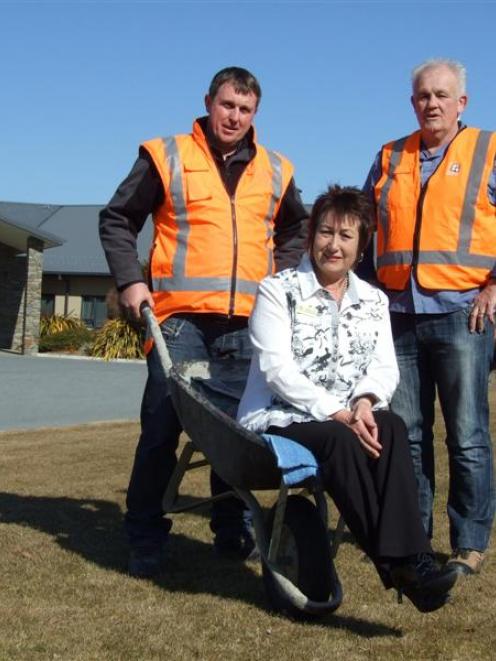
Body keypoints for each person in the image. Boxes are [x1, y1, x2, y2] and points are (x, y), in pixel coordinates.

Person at [99, 66, 308, 578]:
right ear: (208, 103)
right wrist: (131, 280)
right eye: (227, 105)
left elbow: (297, 228)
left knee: (235, 432)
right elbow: (117, 219)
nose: (235, 117)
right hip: (178, 320)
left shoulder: (277, 169)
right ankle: (145, 535)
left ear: (255, 113)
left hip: (246, 322)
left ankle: (230, 527)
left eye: (245, 109)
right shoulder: (166, 155)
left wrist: (277, 279)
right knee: (162, 426)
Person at [237, 185, 458, 613]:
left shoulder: (372, 299)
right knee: (338, 439)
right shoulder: (276, 291)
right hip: (282, 414)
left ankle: (411, 560)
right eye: (325, 232)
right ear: (310, 237)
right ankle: (399, 563)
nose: (333, 245)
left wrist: (363, 403)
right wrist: (338, 413)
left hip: (346, 413)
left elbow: (383, 366)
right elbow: (277, 370)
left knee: (391, 426)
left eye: (345, 236)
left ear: (361, 248)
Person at [360, 58, 496, 576]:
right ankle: (413, 533)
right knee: (408, 433)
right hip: (396, 316)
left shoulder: (489, 149)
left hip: (464, 316)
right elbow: (365, 229)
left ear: (462, 102)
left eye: (442, 95)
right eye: (422, 96)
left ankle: (469, 541)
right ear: (412, 101)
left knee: (466, 433)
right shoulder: (390, 156)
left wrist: (495, 285)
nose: (431, 104)